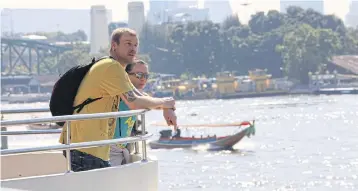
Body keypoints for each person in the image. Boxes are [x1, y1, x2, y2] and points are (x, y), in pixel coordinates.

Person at [59, 28, 177, 172]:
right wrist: (165, 103)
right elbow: (133, 102)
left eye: (135, 45)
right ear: (114, 45)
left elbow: (141, 98)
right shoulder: (111, 67)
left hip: (89, 146)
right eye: (128, 44)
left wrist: (166, 106)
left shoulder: (116, 69)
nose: (133, 49)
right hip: (86, 146)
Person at [110, 59, 178, 165]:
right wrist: (166, 105)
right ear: (126, 76)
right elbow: (139, 103)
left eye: (146, 76)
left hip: (121, 149)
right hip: (108, 149)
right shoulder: (121, 91)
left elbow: (153, 102)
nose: (143, 79)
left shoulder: (139, 95)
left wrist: (167, 108)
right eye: (139, 74)